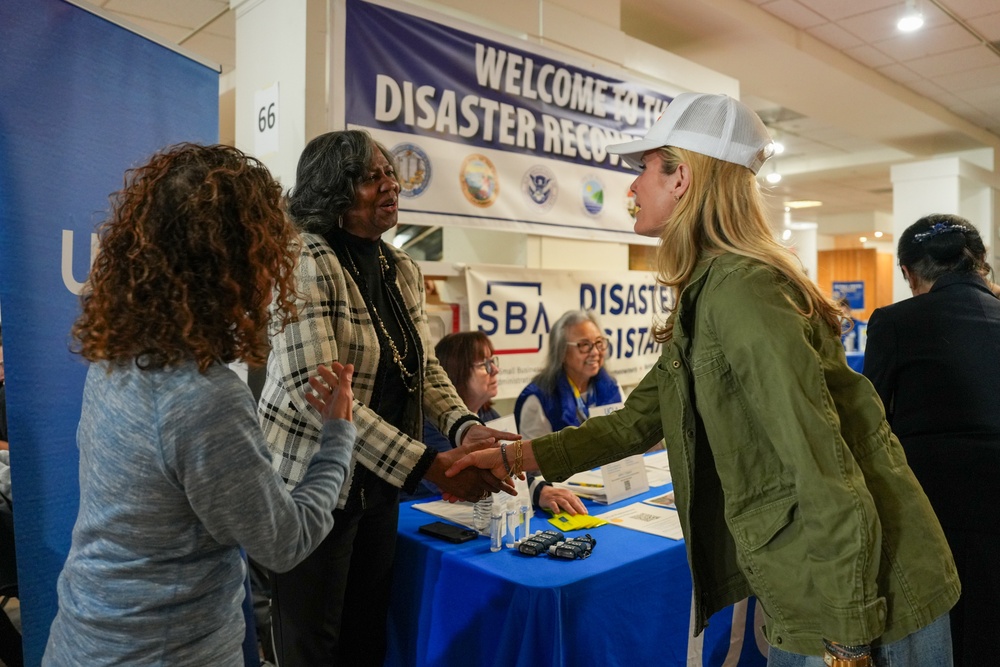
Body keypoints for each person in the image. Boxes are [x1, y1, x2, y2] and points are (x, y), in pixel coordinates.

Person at [446, 93, 959, 667]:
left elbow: (822, 466)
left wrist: (846, 641)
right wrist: (516, 459)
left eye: (642, 168)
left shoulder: (743, 290)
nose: (632, 187)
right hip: (819, 584)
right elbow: (637, 423)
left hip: (864, 595)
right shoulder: (710, 289)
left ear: (682, 177)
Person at [42, 144, 358, 666]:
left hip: (83, 637)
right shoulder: (204, 398)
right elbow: (285, 541)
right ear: (240, 262)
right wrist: (337, 436)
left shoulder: (118, 356)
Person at [258, 129, 515, 666]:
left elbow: (420, 367)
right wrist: (430, 463)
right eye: (371, 176)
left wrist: (466, 428)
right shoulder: (303, 259)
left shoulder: (400, 268)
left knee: (366, 638)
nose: (390, 184)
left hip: (377, 490)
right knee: (312, 648)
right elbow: (320, 393)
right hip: (312, 489)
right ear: (334, 191)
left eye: (389, 173)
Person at [863, 214, 1000, 667]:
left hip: (935, 506)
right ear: (981, 263)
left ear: (909, 274)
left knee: (950, 630)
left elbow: (872, 420)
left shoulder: (896, 321)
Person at [514, 310, 621, 512]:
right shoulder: (538, 398)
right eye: (584, 345)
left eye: (599, 343)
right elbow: (532, 467)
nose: (595, 352)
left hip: (610, 489)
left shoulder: (611, 386)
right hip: (562, 498)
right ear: (561, 352)